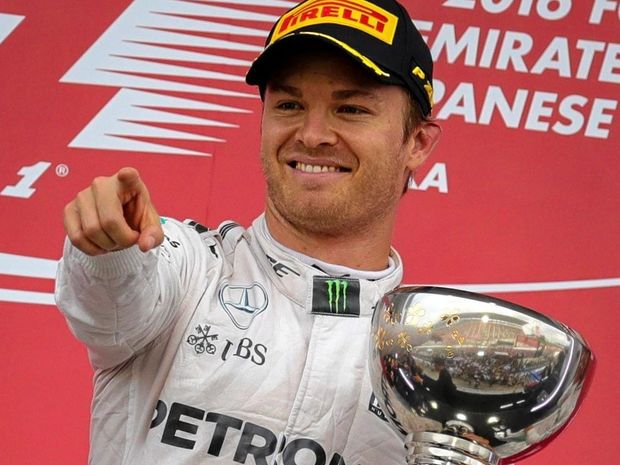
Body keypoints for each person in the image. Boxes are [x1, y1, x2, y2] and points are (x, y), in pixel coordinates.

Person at [54, 0, 441, 463]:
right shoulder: (185, 266)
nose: (313, 133)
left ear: (417, 143)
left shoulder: (433, 361)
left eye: (352, 109)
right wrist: (108, 249)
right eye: (289, 104)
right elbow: (109, 305)